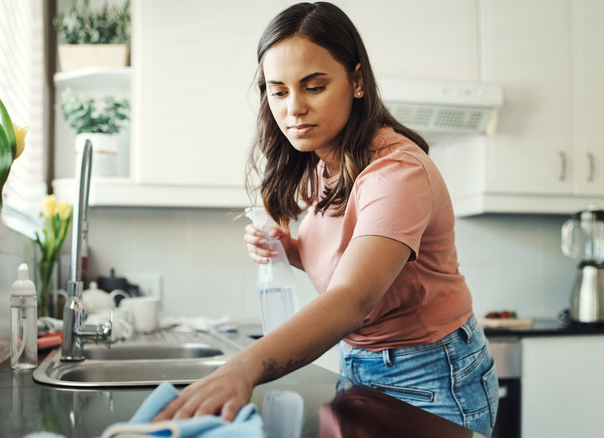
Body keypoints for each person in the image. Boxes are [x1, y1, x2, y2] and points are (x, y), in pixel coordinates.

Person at [154, 2, 498, 435]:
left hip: (430, 373)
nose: (293, 108)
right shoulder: (327, 164)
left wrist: (245, 368)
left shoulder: (396, 173)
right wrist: (292, 251)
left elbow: (352, 298)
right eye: (278, 91)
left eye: (313, 86)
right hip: (362, 362)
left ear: (356, 81)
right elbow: (351, 260)